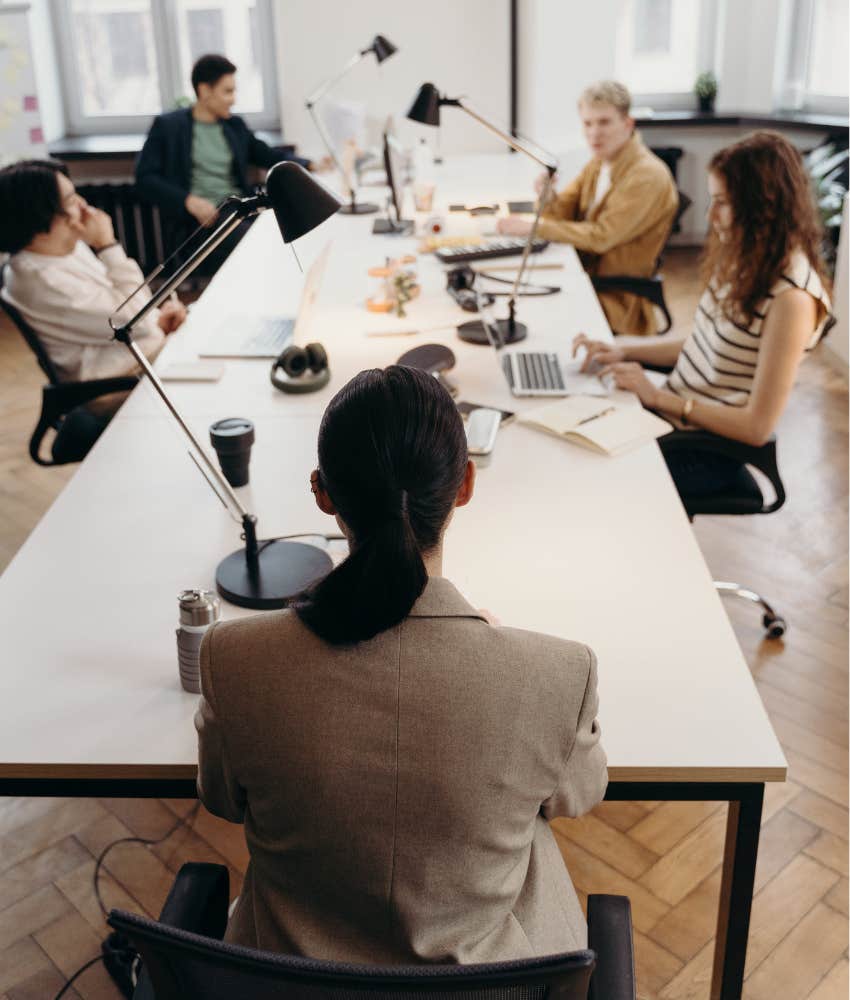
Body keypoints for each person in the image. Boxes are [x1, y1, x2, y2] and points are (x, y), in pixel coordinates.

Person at [195, 365, 607, 963]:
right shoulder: (557, 675)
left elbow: (221, 799)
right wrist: (496, 659)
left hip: (289, 985)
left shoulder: (233, 660)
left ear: (323, 492)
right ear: (464, 483)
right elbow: (578, 795)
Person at [573, 131, 832, 506]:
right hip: (676, 420)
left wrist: (658, 397)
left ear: (764, 206)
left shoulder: (791, 298)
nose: (710, 217)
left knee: (588, 479)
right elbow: (705, 343)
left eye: (723, 203)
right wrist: (622, 348)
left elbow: (757, 428)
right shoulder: (747, 258)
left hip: (707, 451)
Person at [498, 81, 678, 336]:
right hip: (585, 277)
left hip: (614, 298)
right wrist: (548, 197)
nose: (594, 133)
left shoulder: (647, 176)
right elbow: (563, 214)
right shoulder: (599, 162)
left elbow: (601, 236)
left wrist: (534, 226)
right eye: (587, 123)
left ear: (628, 124)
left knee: (527, 314)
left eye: (604, 122)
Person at [0, 159, 185, 385]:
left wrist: (158, 319)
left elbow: (125, 312)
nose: (83, 205)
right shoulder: (39, 280)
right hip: (120, 380)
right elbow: (135, 322)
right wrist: (108, 246)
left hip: (142, 355)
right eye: (70, 200)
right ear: (39, 214)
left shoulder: (69, 247)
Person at [135, 53, 328, 269]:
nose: (234, 99)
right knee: (264, 246)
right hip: (202, 223)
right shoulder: (168, 127)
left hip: (240, 209)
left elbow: (267, 155)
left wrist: (309, 165)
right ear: (204, 91)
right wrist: (189, 201)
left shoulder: (234, 125)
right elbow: (145, 178)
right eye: (227, 91)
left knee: (293, 227)